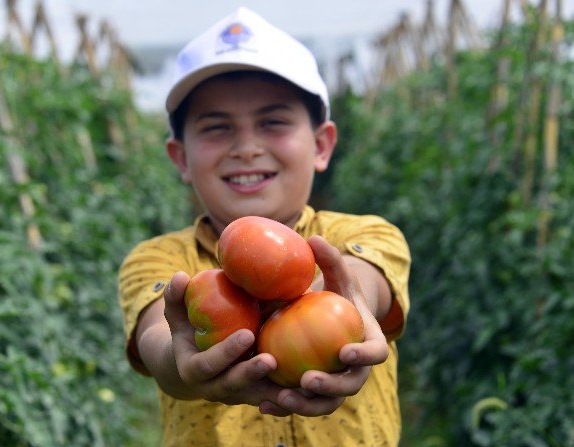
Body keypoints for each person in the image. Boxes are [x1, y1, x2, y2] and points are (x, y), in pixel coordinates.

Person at [118, 7, 411, 446]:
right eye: (217, 128)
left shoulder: (366, 234)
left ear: (321, 144)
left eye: (273, 122)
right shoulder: (157, 260)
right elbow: (159, 338)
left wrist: (348, 302)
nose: (247, 148)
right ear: (181, 158)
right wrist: (182, 363)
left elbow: (365, 279)